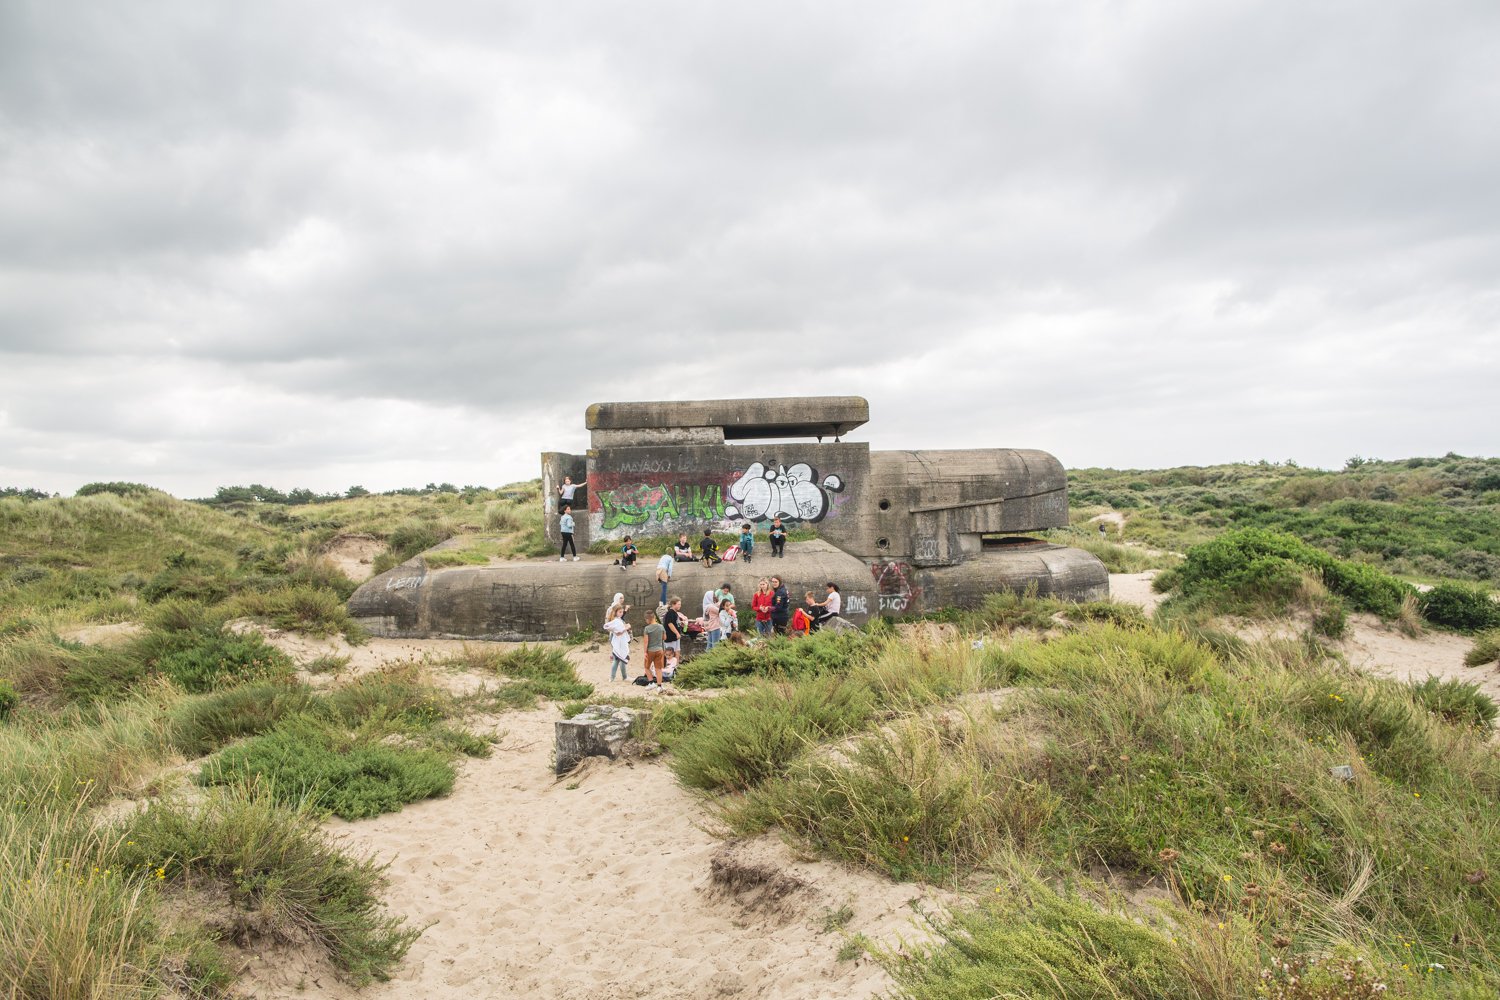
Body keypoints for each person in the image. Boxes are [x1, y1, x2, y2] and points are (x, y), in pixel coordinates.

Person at [605, 606, 631, 682]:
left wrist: (625, 627)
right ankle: (613, 677)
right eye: (620, 612)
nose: (621, 613)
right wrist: (627, 627)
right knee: (617, 660)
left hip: (621, 642)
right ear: (615, 612)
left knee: (621, 659)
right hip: (618, 643)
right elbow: (618, 633)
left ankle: (623, 677)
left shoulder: (618, 620)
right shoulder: (616, 621)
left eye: (622, 612)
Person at [642, 610, 665, 688]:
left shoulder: (647, 628)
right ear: (654, 617)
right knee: (658, 668)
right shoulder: (661, 626)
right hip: (660, 650)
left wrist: (645, 652)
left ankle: (651, 683)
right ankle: (659, 686)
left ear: (648, 619)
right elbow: (664, 638)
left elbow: (646, 642)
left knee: (646, 667)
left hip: (650, 651)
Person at [662, 597, 684, 676]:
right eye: (678, 604)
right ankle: (669, 669)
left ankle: (676, 667)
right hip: (671, 637)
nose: (680, 606)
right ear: (673, 604)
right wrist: (677, 633)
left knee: (677, 651)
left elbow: (674, 623)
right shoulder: (670, 613)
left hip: (675, 637)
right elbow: (670, 624)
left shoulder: (674, 613)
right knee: (670, 653)